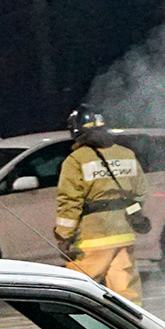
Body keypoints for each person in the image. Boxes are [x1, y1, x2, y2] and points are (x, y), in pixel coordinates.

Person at [54, 107, 148, 303]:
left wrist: (64, 235)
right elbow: (139, 193)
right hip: (123, 235)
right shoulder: (126, 154)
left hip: (92, 238)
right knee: (127, 294)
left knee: (78, 292)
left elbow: (70, 202)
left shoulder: (75, 161)